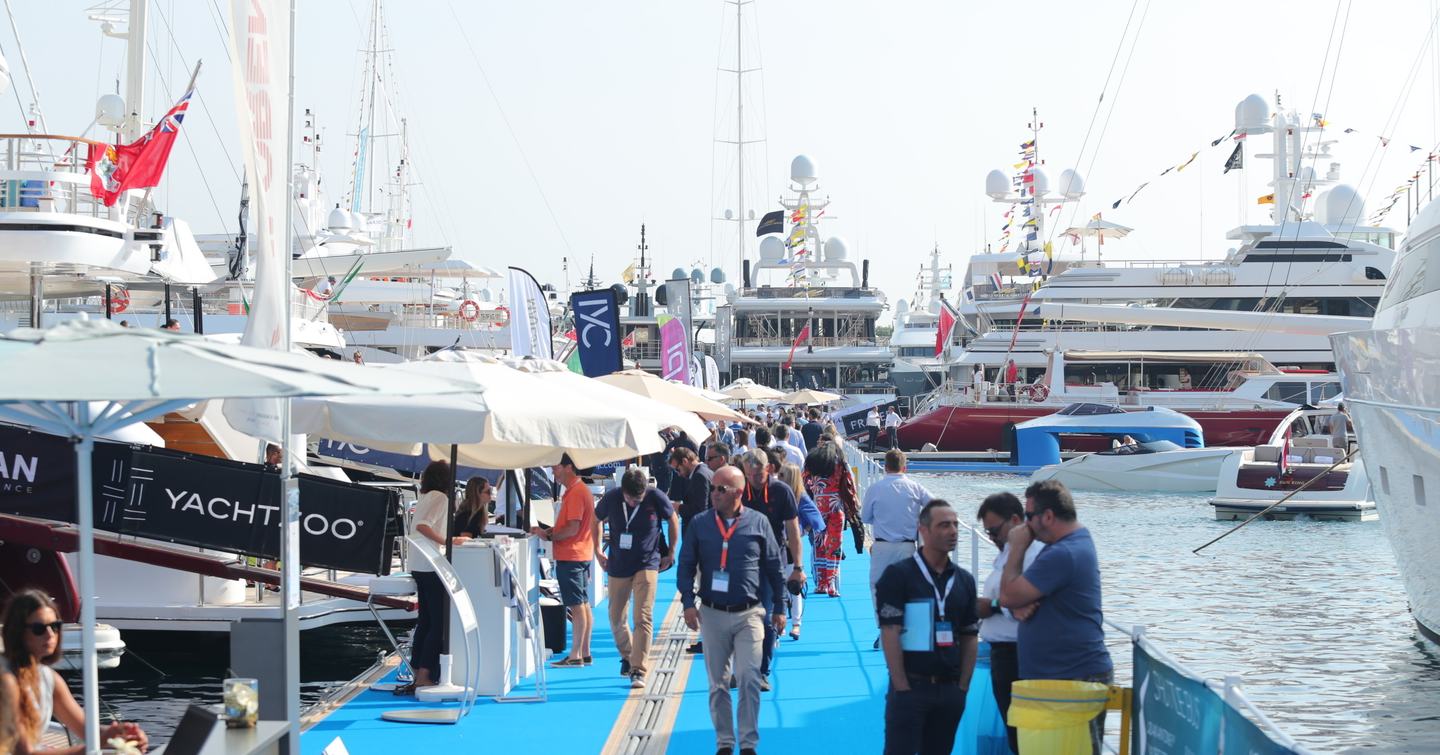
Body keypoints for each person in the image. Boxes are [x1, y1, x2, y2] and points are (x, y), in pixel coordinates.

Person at [1000, 480, 1114, 755]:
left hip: (1074, 680)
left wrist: (1016, 548)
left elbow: (1008, 595)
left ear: (1048, 516)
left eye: (1028, 517)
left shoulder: (1064, 553)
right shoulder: (1066, 546)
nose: (1024, 526)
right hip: (1061, 681)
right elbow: (1019, 599)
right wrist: (1017, 604)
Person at [677, 465, 785, 755]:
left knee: (750, 678)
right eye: (713, 488)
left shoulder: (759, 523)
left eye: (720, 489)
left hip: (750, 613)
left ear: (738, 493)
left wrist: (780, 608)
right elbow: (685, 565)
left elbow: (774, 567)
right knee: (718, 684)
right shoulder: (700, 524)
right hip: (712, 614)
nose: (714, 493)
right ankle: (725, 743)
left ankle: (748, 744)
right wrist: (688, 603)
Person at [875, 500, 979, 755]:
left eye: (955, 524)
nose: (953, 531)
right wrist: (901, 686)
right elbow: (890, 632)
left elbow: (969, 635)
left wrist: (962, 687)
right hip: (911, 688)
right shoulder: (898, 576)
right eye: (944, 525)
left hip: (949, 691)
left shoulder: (964, 580)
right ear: (923, 531)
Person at [2, 590, 149, 755]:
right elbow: (23, 753)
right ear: (18, 631)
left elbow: (86, 730)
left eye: (55, 626)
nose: (50, 634)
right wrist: (90, 748)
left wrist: (122, 735)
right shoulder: (6, 680)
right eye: (39, 628)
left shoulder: (49, 679)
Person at [594, 468, 678, 689]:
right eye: (630, 499)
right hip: (618, 564)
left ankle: (638, 669)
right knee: (615, 617)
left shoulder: (655, 496)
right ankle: (628, 655)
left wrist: (671, 551)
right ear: (623, 491)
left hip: (648, 562)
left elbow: (673, 519)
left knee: (642, 616)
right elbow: (595, 519)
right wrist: (597, 550)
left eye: (638, 499)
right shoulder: (612, 498)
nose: (634, 503)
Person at [975, 492, 1044, 753]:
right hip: (1003, 654)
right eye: (988, 533)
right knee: (1015, 732)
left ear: (1015, 520)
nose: (992, 538)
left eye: (995, 531)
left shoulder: (1031, 554)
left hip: (1019, 655)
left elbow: (1026, 604)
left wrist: (990, 606)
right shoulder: (1009, 553)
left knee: (1023, 734)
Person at [401, 460, 469, 694]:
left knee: (426, 620)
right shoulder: (441, 498)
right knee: (438, 622)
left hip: (419, 563)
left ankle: (418, 670)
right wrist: (450, 541)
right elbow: (423, 526)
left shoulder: (427, 496)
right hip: (431, 565)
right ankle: (425, 675)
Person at [740, 449, 804, 691]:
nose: (755, 479)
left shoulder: (781, 491)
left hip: (771, 561)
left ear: (768, 469)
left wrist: (797, 567)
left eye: (758, 474)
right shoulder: (739, 490)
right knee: (739, 618)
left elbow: (793, 531)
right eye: (750, 475)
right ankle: (743, 667)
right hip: (742, 562)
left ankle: (762, 671)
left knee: (767, 617)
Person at [863, 450, 934, 648]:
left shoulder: (875, 488)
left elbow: (865, 517)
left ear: (885, 466)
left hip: (882, 545)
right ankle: (905, 629)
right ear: (905, 467)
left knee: (878, 588)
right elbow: (936, 505)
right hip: (907, 546)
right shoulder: (915, 487)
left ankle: (884, 630)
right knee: (908, 588)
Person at [531, 453, 596, 667]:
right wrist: (550, 531)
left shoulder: (576, 492)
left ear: (568, 467)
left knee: (577, 605)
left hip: (572, 554)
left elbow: (572, 527)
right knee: (582, 603)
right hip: (579, 553)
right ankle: (583, 651)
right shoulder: (576, 491)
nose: (553, 472)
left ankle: (576, 653)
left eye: (556, 467)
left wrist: (549, 535)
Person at [802, 441, 859, 598]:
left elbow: (804, 483)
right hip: (836, 507)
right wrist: (852, 506)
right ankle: (832, 585)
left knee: (819, 545)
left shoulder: (812, 463)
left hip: (817, 508)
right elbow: (850, 484)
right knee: (834, 546)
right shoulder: (841, 463)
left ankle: (821, 584)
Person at [779, 462, 823, 641]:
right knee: (778, 585)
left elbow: (816, 519)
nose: (778, 477)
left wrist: (801, 532)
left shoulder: (800, 497)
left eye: (782, 475)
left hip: (791, 546)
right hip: (776, 544)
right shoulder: (775, 493)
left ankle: (796, 623)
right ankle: (780, 621)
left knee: (794, 587)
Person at [668, 447, 710, 533]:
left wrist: (678, 507)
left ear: (685, 461)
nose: (679, 474)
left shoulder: (699, 476)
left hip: (699, 532)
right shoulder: (704, 470)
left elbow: (700, 510)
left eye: (678, 470)